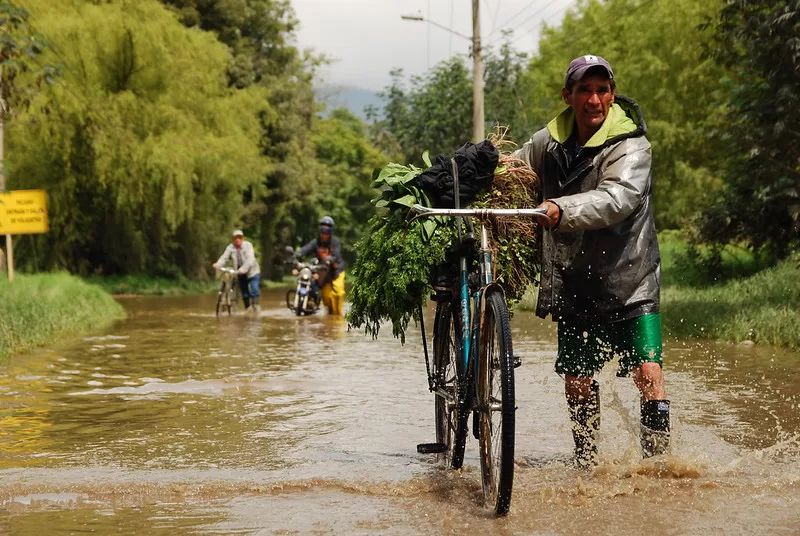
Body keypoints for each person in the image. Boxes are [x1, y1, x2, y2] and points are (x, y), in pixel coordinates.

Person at [514, 55, 670, 467]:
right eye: (584, 90)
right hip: (574, 281)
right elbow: (513, 172)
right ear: (568, 96)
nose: (594, 99)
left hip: (631, 280)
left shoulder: (632, 145)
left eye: (602, 90)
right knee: (578, 383)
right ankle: (586, 466)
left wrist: (558, 209)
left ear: (612, 95)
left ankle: (657, 467)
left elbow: (617, 198)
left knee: (648, 375)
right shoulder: (545, 144)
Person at [294, 216, 346, 316]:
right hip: (323, 273)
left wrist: (329, 259)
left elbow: (336, 255)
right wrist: (295, 255)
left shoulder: (335, 242)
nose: (324, 236)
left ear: (330, 233)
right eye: (322, 233)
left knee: (337, 294)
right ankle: (329, 321)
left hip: (336, 272)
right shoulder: (316, 242)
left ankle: (337, 321)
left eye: (326, 233)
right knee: (326, 298)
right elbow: (305, 249)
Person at [212, 229, 261, 312]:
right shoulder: (230, 247)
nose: (238, 239)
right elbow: (224, 257)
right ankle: (247, 309)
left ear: (243, 239)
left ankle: (255, 307)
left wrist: (243, 269)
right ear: (233, 239)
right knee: (244, 293)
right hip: (239, 272)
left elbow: (250, 258)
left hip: (252, 271)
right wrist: (218, 264)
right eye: (235, 238)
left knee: (254, 289)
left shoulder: (248, 246)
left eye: (240, 237)